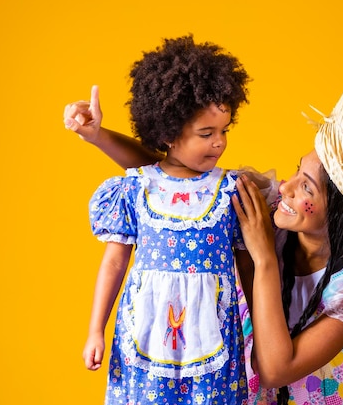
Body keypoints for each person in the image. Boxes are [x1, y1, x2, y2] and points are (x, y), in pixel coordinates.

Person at [65, 49, 343, 405]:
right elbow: (168, 178)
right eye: (297, 172)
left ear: (339, 214)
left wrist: (263, 257)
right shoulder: (275, 212)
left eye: (306, 187)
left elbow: (279, 369)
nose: (285, 186)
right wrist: (98, 136)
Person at [74, 35, 252, 405]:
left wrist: (259, 340)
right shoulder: (136, 188)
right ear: (169, 133)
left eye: (224, 131)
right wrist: (96, 330)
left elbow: (249, 267)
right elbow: (114, 261)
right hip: (144, 336)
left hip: (213, 339)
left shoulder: (232, 190)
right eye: (207, 133)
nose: (219, 143)